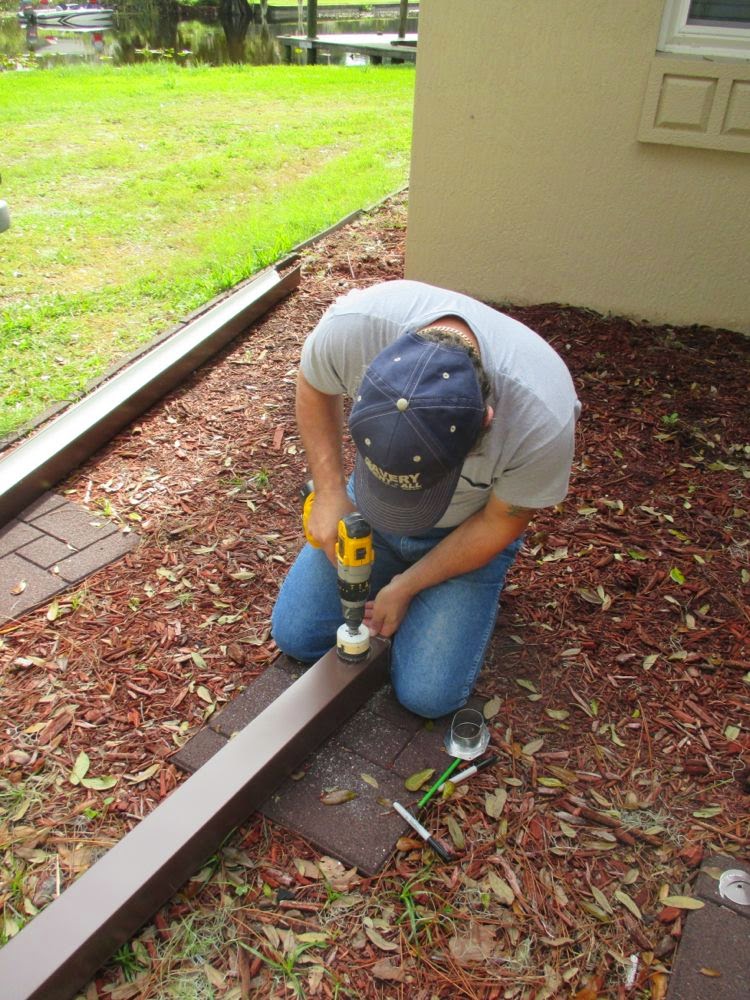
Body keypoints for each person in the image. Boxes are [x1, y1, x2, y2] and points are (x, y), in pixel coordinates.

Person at [271, 279, 580, 719]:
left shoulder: (540, 417)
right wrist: (331, 491)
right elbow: (314, 384)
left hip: (467, 528)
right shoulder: (354, 329)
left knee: (427, 696)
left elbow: (500, 521)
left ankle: (448, 589)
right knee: (296, 636)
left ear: (486, 419)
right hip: (367, 507)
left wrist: (408, 585)